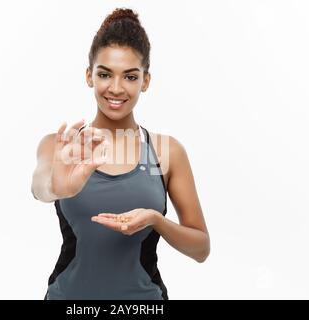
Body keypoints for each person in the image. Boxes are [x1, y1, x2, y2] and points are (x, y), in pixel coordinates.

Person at [31, 7, 210, 300]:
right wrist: (55, 186)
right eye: (105, 74)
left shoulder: (163, 152)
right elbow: (38, 187)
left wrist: (157, 220)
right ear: (89, 76)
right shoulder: (63, 145)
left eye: (129, 77)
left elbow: (201, 248)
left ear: (146, 81)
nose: (116, 89)